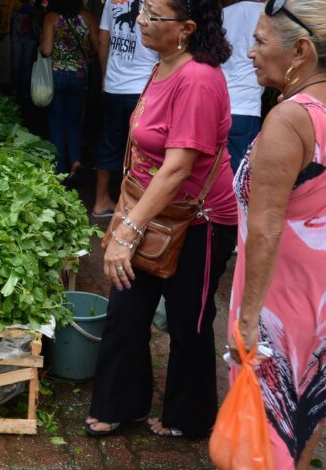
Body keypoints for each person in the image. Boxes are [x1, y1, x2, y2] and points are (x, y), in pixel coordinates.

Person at [85, 0, 237, 438]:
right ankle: (121, 403)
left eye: (153, 15)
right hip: (153, 208)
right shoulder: (162, 66)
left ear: (186, 29)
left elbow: (177, 167)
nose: (140, 21)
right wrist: (127, 214)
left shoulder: (199, 80)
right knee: (126, 306)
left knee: (189, 320)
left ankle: (188, 416)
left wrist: (128, 230)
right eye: (143, 11)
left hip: (200, 221)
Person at [228, 1, 326, 467]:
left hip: (279, 308)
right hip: (318, 301)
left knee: (262, 443)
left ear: (300, 51)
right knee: (300, 427)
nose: (249, 52)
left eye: (261, 41)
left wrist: (248, 321)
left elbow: (265, 228)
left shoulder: (289, 120)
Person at [91, 0, 158, 217]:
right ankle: (135, 205)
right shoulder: (156, 3)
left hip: (114, 86)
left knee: (110, 141)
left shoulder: (111, 1)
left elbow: (103, 39)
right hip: (144, 87)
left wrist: (105, 75)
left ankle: (101, 201)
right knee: (142, 148)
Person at [39, 0, 98, 181]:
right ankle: (76, 161)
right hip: (80, 75)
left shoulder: (52, 18)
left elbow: (47, 50)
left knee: (56, 121)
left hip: (57, 74)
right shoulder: (88, 17)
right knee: (73, 120)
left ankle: (59, 171)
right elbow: (97, 46)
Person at [221, 0, 265, 173]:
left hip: (219, 102)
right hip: (246, 106)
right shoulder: (267, 15)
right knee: (240, 176)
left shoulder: (223, 14)